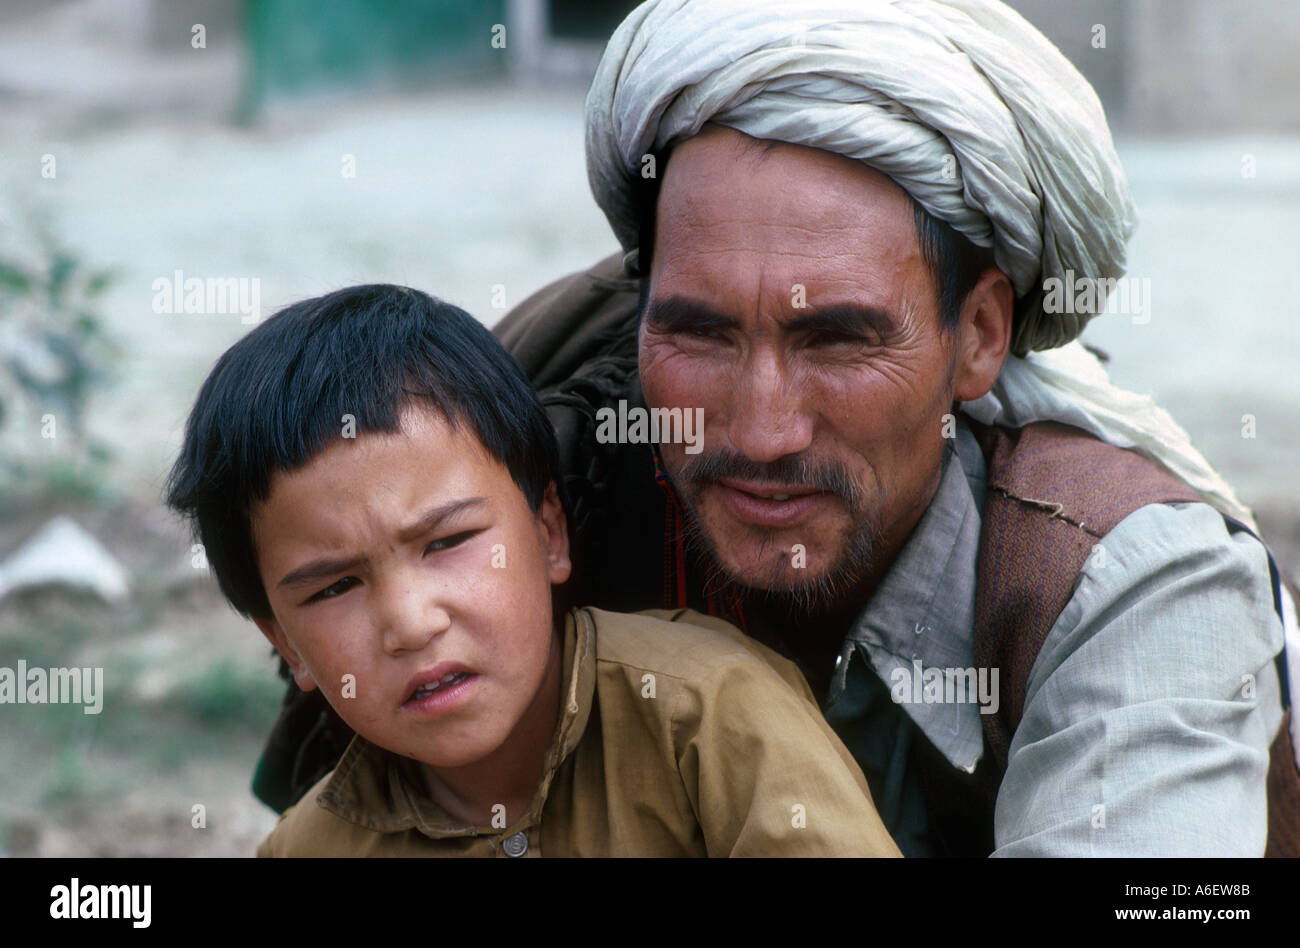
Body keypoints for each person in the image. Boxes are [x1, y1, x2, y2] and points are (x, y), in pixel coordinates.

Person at [256, 0, 1300, 856]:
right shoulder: (556, 489)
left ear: (978, 334)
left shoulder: (1128, 582)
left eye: (836, 343)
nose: (757, 432)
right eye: (700, 336)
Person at [165, 283, 901, 857]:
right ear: (286, 644)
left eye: (447, 541)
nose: (411, 623)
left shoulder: (710, 716)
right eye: (334, 587)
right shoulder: (310, 847)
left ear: (550, 530)